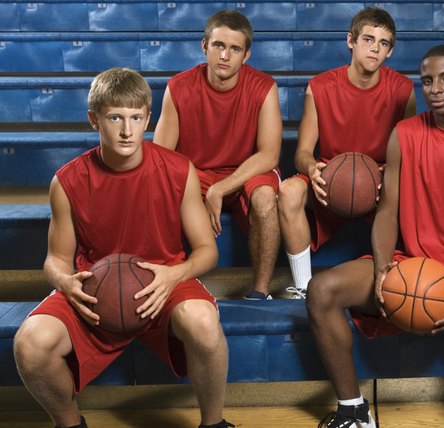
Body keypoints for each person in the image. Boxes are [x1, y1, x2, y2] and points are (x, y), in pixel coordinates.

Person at [307, 45, 444, 428]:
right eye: (427, 81)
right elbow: (388, 210)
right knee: (321, 290)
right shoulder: (405, 133)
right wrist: (381, 267)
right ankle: (353, 411)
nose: (436, 89)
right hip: (410, 263)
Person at [13, 68, 232, 428]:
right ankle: (70, 424)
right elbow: (56, 260)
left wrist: (174, 274)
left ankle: (214, 423)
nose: (127, 130)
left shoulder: (179, 169)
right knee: (30, 343)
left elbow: (207, 251)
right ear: (93, 119)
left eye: (135, 117)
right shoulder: (67, 181)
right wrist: (66, 282)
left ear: (148, 117)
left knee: (205, 322)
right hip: (96, 291)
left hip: (164, 283)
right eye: (115, 117)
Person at [277, 6, 416, 299]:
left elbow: (408, 154)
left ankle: (403, 279)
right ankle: (303, 285)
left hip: (379, 184)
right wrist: (312, 169)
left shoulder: (403, 90)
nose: (375, 49)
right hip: (332, 180)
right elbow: (302, 152)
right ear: (350, 41)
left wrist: (389, 173)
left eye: (384, 43)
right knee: (289, 190)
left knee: (416, 191)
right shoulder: (320, 86)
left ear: (390, 51)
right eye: (368, 39)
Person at [154, 9, 282, 300]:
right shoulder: (179, 87)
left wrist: (220, 189)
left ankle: (260, 290)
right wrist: (193, 190)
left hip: (245, 171)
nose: (225, 55)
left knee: (264, 196)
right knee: (161, 189)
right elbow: (161, 157)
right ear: (204, 47)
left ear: (246, 55)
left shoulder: (264, 87)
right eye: (218, 46)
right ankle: (173, 279)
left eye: (234, 49)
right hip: (195, 173)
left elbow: (269, 155)